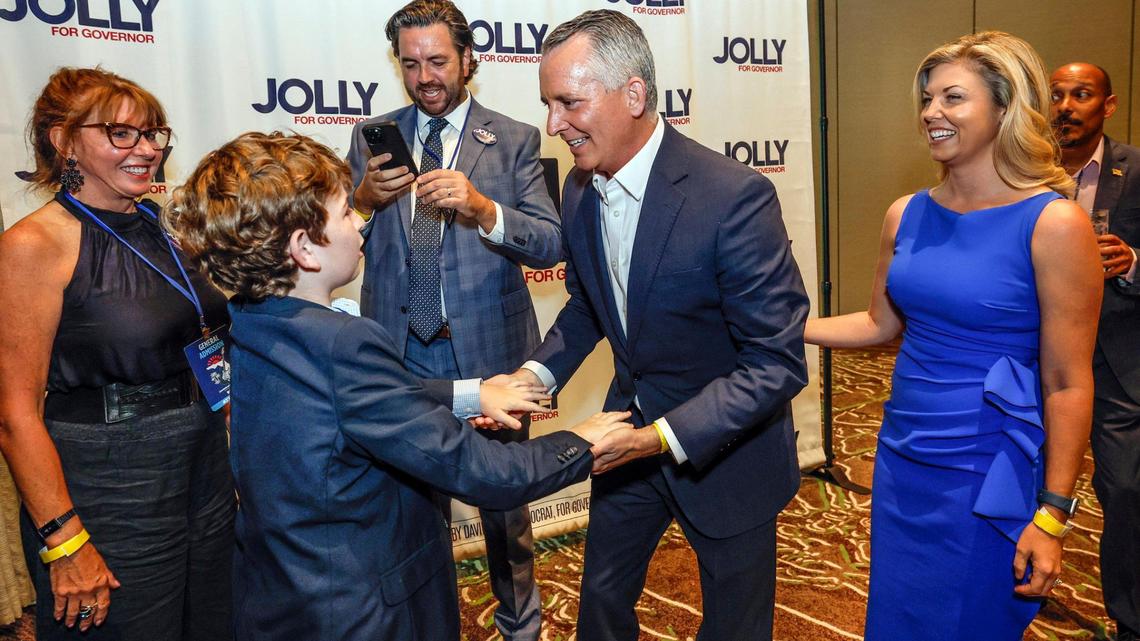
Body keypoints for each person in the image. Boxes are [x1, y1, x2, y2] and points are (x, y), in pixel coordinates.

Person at [163, 130, 631, 641]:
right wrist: (582, 443)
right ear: (304, 249)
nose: (359, 225)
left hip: (288, 593)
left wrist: (472, 393)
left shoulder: (255, 318)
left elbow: (343, 402)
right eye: (345, 212)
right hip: (363, 609)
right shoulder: (347, 344)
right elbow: (484, 472)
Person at [503, 10, 810, 640]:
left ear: (634, 94)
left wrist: (660, 437)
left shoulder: (733, 196)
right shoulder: (581, 189)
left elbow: (776, 363)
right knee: (602, 607)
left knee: (735, 627)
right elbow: (592, 304)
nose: (554, 125)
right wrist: (532, 377)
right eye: (547, 104)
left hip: (730, 455)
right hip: (628, 440)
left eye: (569, 103)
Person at [806, 32, 1102, 639]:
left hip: (985, 467)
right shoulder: (905, 212)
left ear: (1004, 109)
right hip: (902, 456)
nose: (930, 113)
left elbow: (1068, 381)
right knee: (897, 618)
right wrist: (781, 329)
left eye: (953, 98)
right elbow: (879, 324)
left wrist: (1053, 515)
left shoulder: (1054, 223)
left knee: (969, 621)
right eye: (927, 98)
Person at [344, 2, 560, 637]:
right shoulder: (371, 136)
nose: (425, 77)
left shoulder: (515, 137)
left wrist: (483, 207)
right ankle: (429, 623)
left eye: (438, 61)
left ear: (469, 59)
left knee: (504, 505)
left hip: (488, 353)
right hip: (400, 353)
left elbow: (550, 242)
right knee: (413, 509)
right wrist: (362, 201)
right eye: (411, 64)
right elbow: (334, 243)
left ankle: (520, 623)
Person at [0, 67, 235, 639]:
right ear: (63, 140)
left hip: (202, 465)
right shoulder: (33, 246)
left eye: (154, 134)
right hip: (109, 481)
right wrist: (66, 541)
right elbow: (15, 415)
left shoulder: (165, 226)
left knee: (213, 624)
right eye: (121, 134)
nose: (147, 150)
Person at [1050, 62, 1140, 641]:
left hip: (1114, 361)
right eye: (1057, 95)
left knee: (1127, 489)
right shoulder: (1021, 171)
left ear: (1105, 106)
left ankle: (1130, 622)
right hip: (1032, 357)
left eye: (1080, 95)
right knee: (1017, 479)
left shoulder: (1137, 170)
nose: (1066, 105)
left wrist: (1134, 262)